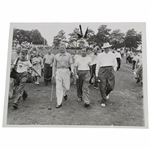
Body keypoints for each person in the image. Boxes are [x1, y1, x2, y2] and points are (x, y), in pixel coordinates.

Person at [52, 43, 74, 108]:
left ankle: (64, 93)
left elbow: (71, 64)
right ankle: (59, 102)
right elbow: (54, 65)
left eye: (63, 48)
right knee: (58, 87)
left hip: (66, 71)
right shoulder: (56, 56)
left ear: (65, 48)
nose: (61, 49)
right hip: (58, 71)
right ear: (59, 49)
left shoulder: (68, 55)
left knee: (67, 87)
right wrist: (53, 74)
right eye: (60, 48)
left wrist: (72, 70)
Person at [96, 43, 117, 107]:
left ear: (109, 48)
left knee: (111, 86)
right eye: (105, 48)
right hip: (102, 70)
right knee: (102, 86)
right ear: (103, 49)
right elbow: (98, 64)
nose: (106, 49)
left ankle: (106, 94)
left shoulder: (113, 55)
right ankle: (103, 100)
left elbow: (115, 63)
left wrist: (114, 69)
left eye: (107, 48)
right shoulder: (100, 55)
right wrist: (96, 74)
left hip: (110, 70)